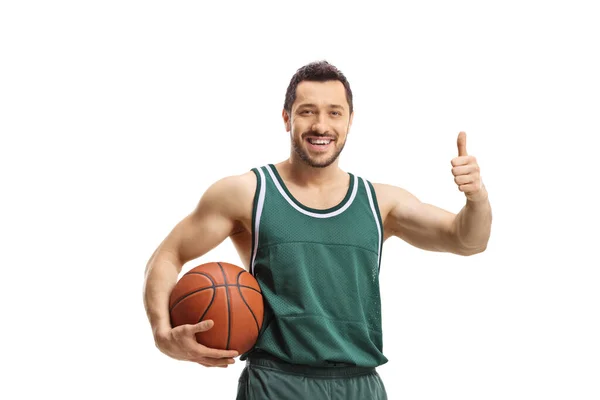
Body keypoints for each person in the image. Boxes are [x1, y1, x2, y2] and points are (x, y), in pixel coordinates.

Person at [143, 60, 492, 399]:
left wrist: (476, 197)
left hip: (360, 383)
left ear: (350, 121)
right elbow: (168, 255)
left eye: (334, 112)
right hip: (276, 381)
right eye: (307, 111)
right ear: (286, 118)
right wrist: (162, 332)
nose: (321, 125)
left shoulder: (381, 202)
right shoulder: (247, 193)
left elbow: (466, 240)